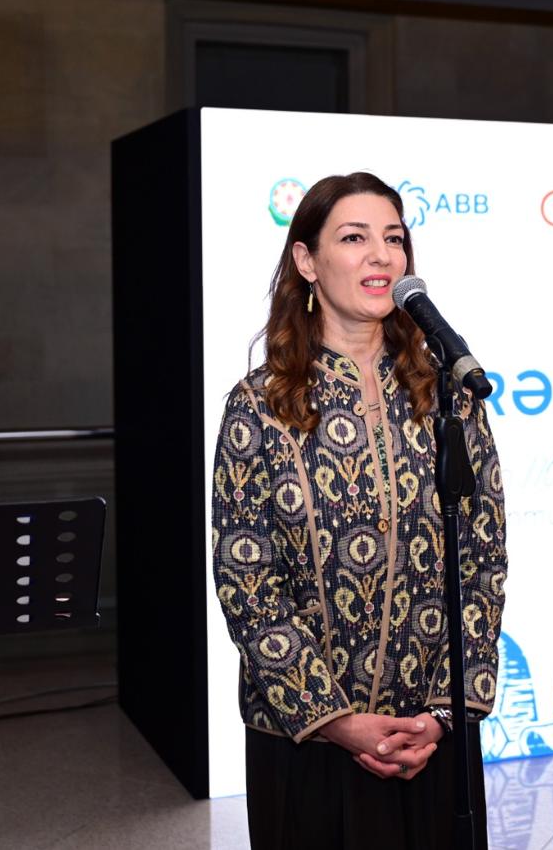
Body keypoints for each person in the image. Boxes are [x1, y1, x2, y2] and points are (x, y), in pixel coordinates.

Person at [210, 172, 507, 849]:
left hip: (431, 737)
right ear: (307, 261)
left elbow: (483, 561)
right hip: (307, 742)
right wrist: (337, 721)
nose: (381, 255)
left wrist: (442, 712)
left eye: (394, 239)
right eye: (354, 238)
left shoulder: (450, 397)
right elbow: (246, 582)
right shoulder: (259, 405)